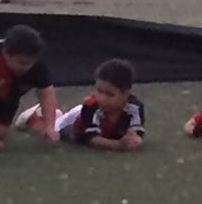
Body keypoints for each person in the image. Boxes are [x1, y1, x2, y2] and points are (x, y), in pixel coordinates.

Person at [16, 58, 145, 152]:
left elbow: (136, 132)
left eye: (109, 94)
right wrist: (118, 145)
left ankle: (56, 115)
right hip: (78, 123)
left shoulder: (135, 107)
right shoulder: (92, 106)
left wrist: (134, 139)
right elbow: (92, 140)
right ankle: (34, 118)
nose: (102, 98)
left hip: (91, 120)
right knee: (53, 135)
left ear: (125, 94)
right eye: (99, 91)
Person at [0, 25, 59, 148]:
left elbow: (46, 94)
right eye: (22, 63)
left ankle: (32, 116)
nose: (26, 68)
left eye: (30, 63)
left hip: (8, 96)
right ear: (5, 54)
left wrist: (50, 127)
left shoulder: (37, 66)